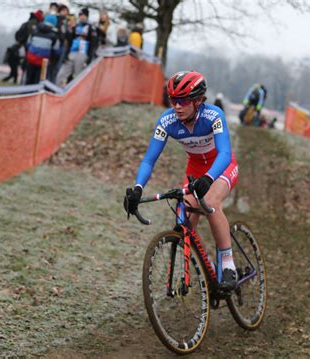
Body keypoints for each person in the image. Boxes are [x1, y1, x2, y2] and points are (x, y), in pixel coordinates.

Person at [124, 71, 239, 291]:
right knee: (184, 215)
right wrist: (138, 188)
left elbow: (224, 153)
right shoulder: (167, 121)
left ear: (197, 101)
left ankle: (227, 264)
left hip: (222, 166)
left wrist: (208, 178)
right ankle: (209, 270)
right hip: (195, 169)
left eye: (183, 101)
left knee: (212, 202)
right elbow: (149, 159)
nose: (177, 106)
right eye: (173, 100)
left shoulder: (213, 115)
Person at [55, 7, 98, 86]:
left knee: (79, 77)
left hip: (82, 54)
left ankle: (78, 95)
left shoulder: (91, 28)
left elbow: (93, 44)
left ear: (87, 16)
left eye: (84, 15)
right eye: (80, 15)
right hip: (72, 53)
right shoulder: (75, 26)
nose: (82, 17)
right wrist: (66, 54)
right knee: (61, 74)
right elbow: (69, 40)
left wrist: (89, 57)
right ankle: (56, 91)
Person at [25, 14, 61, 84]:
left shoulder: (34, 31)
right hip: (43, 62)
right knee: (38, 81)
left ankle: (25, 93)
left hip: (31, 59)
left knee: (29, 79)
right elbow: (56, 52)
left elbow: (28, 44)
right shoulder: (55, 36)